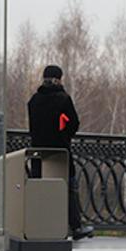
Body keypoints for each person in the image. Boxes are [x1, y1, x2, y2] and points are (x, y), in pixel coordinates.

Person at [27, 64, 94, 241]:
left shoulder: (34, 100)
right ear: (59, 79)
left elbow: (32, 126)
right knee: (68, 188)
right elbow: (74, 124)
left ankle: (37, 225)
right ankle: (75, 226)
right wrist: (64, 134)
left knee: (38, 189)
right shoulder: (63, 99)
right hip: (60, 152)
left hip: (37, 153)